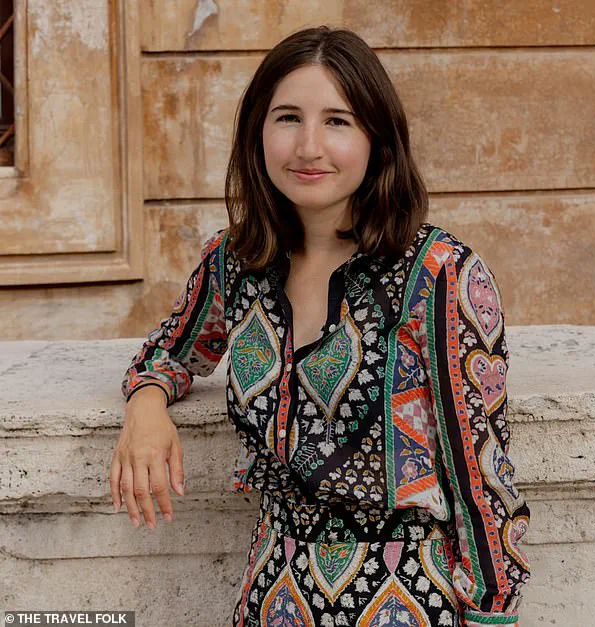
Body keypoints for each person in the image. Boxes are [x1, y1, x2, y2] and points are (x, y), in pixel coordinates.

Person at [110, 26, 531, 627]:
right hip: (271, 596)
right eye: (288, 118)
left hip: (406, 598)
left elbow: (481, 475)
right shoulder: (237, 262)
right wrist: (146, 407)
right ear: (257, 132)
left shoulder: (438, 274)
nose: (308, 147)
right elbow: (169, 354)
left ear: (377, 139)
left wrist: (493, 613)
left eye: (338, 121)